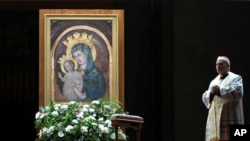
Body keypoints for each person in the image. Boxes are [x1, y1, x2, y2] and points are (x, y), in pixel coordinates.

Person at [202, 56, 244, 141]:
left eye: (221, 64)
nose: (218, 66)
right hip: (216, 121)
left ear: (228, 66)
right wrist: (211, 93)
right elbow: (205, 96)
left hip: (231, 116)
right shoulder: (213, 81)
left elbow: (238, 92)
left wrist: (219, 91)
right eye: (217, 64)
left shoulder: (236, 78)